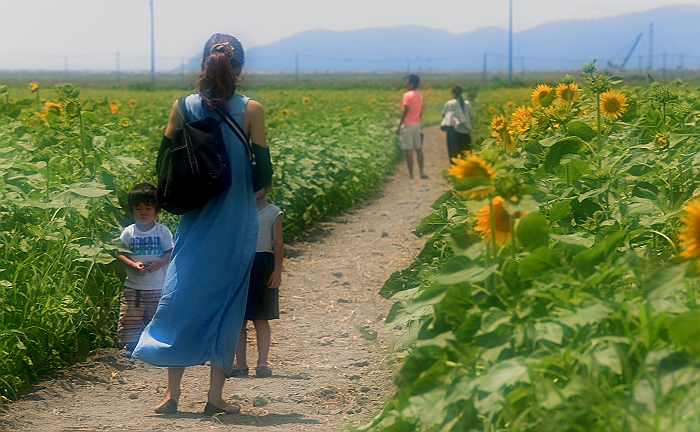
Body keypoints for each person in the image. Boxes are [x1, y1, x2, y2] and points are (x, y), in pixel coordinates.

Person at [132, 33, 266, 417]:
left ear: (202, 66)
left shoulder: (183, 107)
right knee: (227, 302)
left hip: (195, 219)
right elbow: (264, 175)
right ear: (239, 70)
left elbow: (164, 165)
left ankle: (171, 396)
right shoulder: (252, 109)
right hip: (237, 222)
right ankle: (215, 398)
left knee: (181, 295)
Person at [115, 183, 174, 358]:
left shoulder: (162, 231)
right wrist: (132, 265)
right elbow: (118, 252)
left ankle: (153, 346)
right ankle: (131, 346)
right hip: (133, 285)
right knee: (131, 316)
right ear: (132, 210)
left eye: (148, 208)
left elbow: (171, 252)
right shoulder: (129, 232)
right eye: (138, 208)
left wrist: (159, 263)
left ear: (157, 210)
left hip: (157, 285)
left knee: (155, 317)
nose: (143, 212)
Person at [232, 182, 283, 379]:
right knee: (240, 320)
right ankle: (241, 364)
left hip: (263, 265)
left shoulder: (273, 212)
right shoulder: (238, 211)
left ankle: (262, 362)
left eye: (258, 184)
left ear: (268, 186)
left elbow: (278, 242)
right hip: (242, 265)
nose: (253, 188)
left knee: (261, 318)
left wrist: (277, 270)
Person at [397, 74, 427, 179]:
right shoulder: (420, 95)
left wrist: (399, 125)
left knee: (408, 150)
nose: (405, 84)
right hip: (416, 124)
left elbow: (405, 110)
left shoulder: (407, 95)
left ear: (412, 84)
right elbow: (421, 111)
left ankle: (411, 174)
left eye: (407, 82)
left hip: (407, 124)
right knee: (418, 148)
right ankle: (421, 172)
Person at [442, 85, 473, 161]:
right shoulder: (467, 103)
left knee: (453, 153)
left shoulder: (450, 103)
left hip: (453, 132)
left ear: (453, 93)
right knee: (466, 153)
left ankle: (454, 170)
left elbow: (444, 115)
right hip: (465, 131)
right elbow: (471, 116)